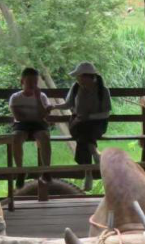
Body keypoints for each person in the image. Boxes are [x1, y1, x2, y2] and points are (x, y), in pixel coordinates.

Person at [51, 61, 111, 191]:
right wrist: (54, 106)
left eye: (80, 76)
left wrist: (89, 117)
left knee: (84, 135)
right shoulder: (76, 87)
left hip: (97, 123)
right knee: (83, 131)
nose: (78, 79)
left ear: (88, 76)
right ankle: (95, 153)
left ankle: (87, 174)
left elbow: (106, 113)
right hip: (78, 122)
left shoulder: (102, 90)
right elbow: (67, 105)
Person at [8, 67, 52, 189]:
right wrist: (36, 116)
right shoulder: (15, 97)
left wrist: (38, 99)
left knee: (44, 137)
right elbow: (18, 117)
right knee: (16, 138)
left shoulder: (42, 96)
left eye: (35, 82)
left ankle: (46, 170)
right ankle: (20, 171)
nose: (33, 85)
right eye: (29, 82)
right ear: (22, 81)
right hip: (22, 125)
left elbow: (43, 115)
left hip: (39, 124)